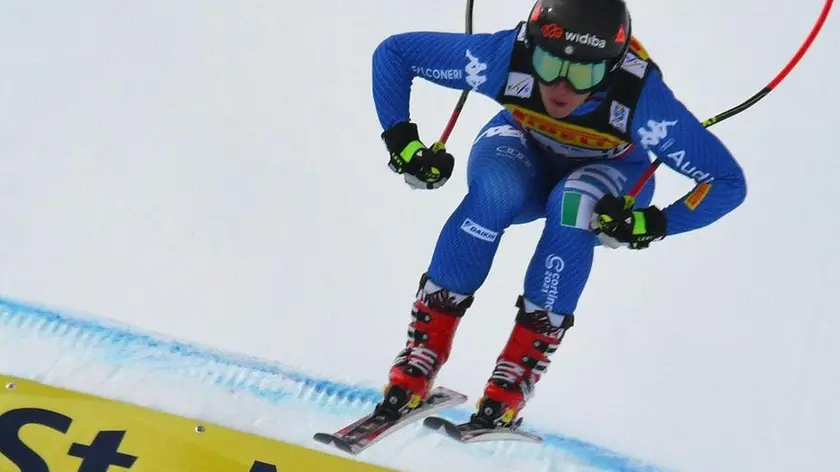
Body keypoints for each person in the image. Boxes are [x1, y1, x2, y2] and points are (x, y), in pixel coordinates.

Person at [370, 0, 747, 429]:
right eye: (548, 64)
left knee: (574, 205)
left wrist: (653, 223)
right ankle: (422, 354)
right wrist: (403, 144)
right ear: (531, 48)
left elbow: (725, 182)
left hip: (609, 171)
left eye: (585, 73)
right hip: (521, 148)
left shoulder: (639, 96)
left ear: (611, 68)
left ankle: (512, 381)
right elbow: (395, 54)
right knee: (494, 192)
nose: (562, 87)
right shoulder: (505, 58)